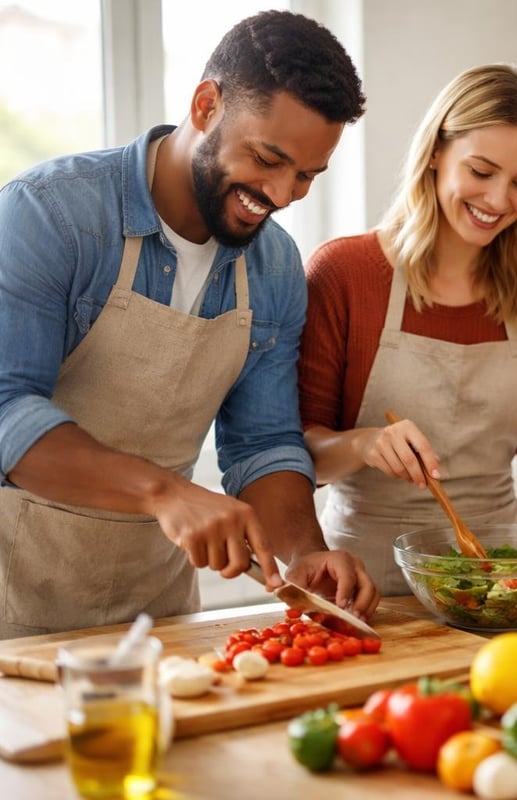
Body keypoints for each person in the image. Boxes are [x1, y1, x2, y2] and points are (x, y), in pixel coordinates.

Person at [0, 11, 380, 639]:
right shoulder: (50, 215)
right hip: (14, 604)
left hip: (155, 612)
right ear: (206, 105)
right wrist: (165, 493)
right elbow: (7, 411)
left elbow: (262, 445)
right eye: (267, 158)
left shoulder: (276, 266)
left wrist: (306, 553)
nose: (283, 194)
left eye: (307, 176)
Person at [299, 64, 517, 595]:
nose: (499, 200)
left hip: (499, 581)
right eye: (481, 172)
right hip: (363, 581)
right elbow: (296, 453)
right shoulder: (344, 274)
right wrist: (365, 444)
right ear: (436, 152)